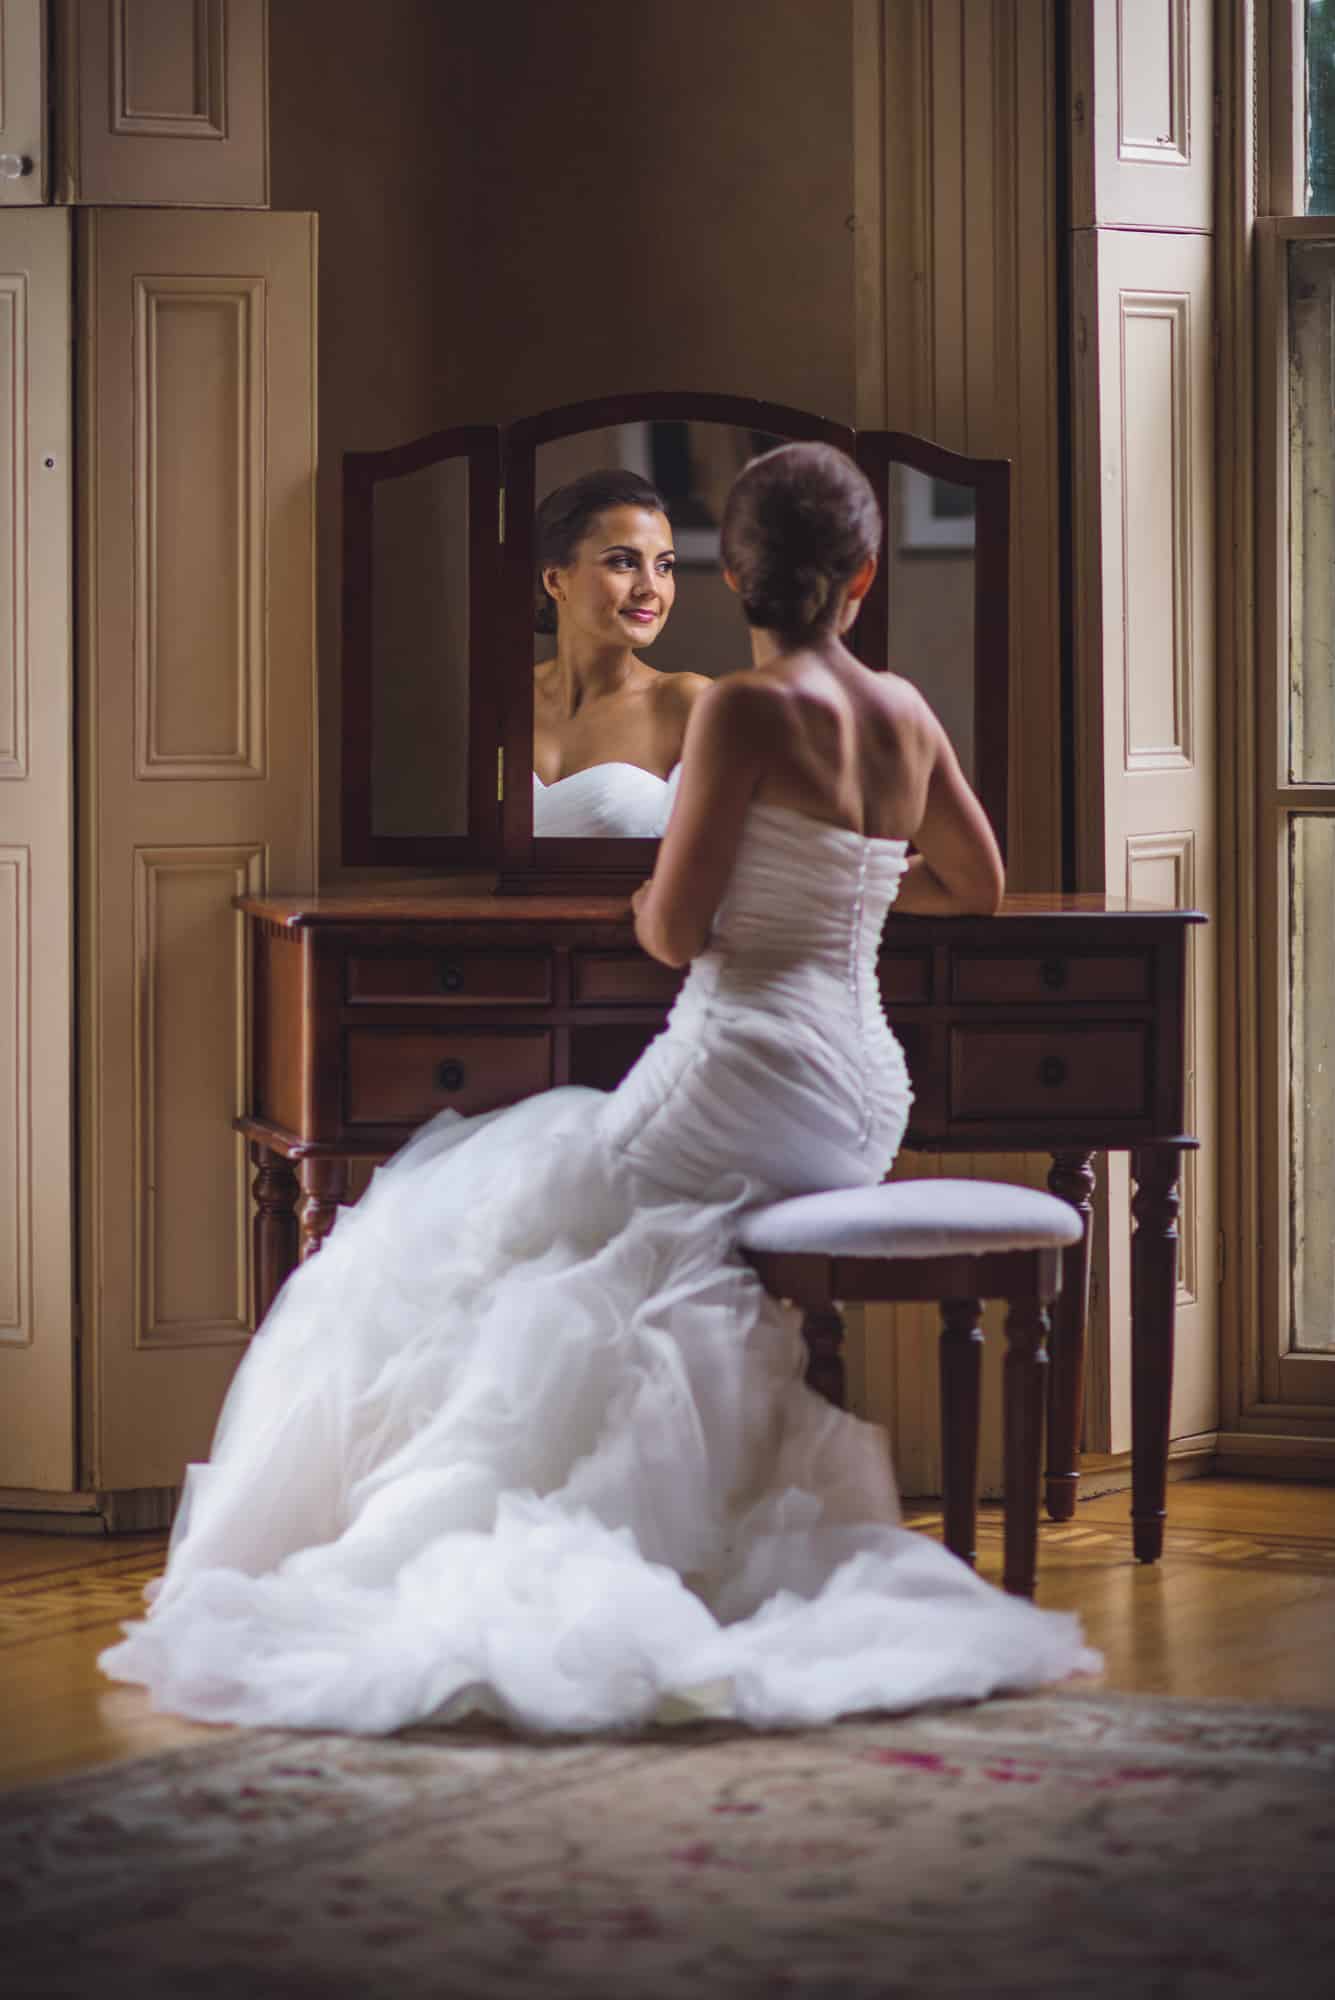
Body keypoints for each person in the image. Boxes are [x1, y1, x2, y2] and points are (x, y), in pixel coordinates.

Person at [101, 443, 1098, 1737]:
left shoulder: (741, 708)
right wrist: (847, 889)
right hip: (862, 1091)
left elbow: (675, 937)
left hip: (744, 1064)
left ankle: (507, 1540)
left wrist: (656, 901)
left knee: (486, 1229)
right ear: (859, 576)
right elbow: (981, 882)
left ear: (733, 574)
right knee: (570, 1236)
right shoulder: (904, 710)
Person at [531, 468, 711, 836]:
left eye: (664, 566)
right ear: (555, 579)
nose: (650, 588)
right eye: (624, 562)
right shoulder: (505, 702)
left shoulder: (689, 704)